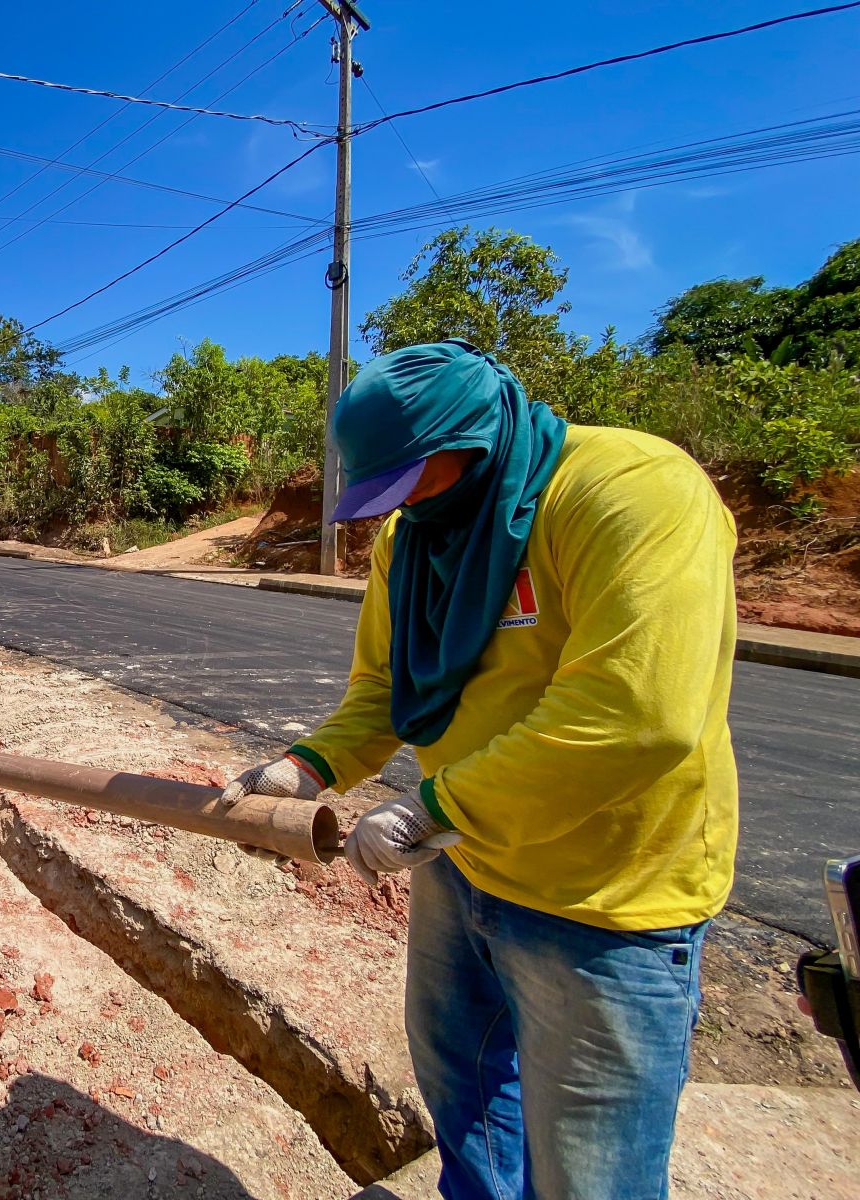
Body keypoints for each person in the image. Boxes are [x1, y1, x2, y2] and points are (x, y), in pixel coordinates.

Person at [221, 339, 738, 1200]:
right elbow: (386, 688)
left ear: (475, 436)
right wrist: (308, 768)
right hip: (463, 870)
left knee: (590, 1172)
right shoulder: (413, 536)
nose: (403, 507)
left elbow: (636, 716)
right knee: (464, 1103)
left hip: (604, 902)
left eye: (413, 479)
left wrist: (434, 809)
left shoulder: (630, 491)